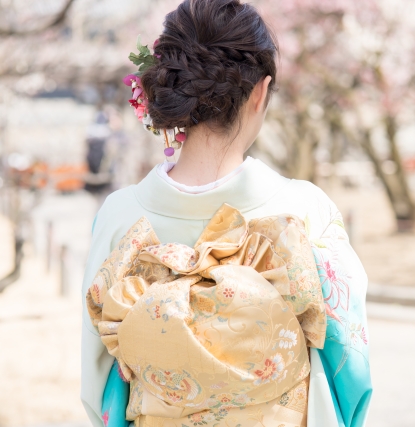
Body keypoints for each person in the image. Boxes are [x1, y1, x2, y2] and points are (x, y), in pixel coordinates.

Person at [80, 1, 372, 426]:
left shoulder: (119, 215)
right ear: (259, 91)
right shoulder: (307, 211)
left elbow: (97, 376)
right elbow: (350, 361)